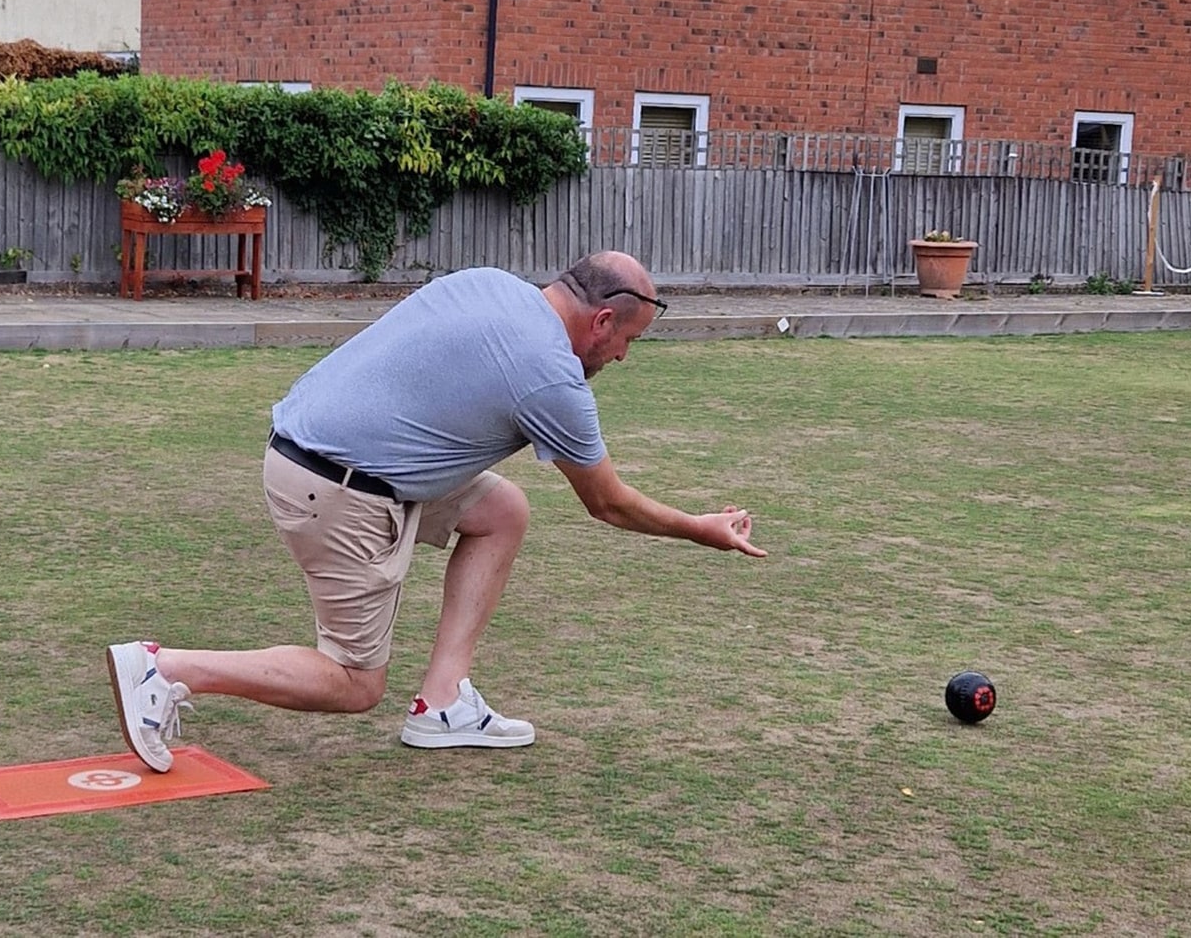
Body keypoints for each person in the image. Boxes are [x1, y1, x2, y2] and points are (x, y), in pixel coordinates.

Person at [106, 251, 766, 771]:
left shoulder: (493, 284)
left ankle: (443, 703)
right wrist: (699, 527)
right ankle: (165, 668)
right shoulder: (550, 374)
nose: (622, 356)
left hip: (316, 450)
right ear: (600, 322)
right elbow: (609, 503)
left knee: (500, 509)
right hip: (337, 488)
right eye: (627, 342)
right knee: (354, 681)